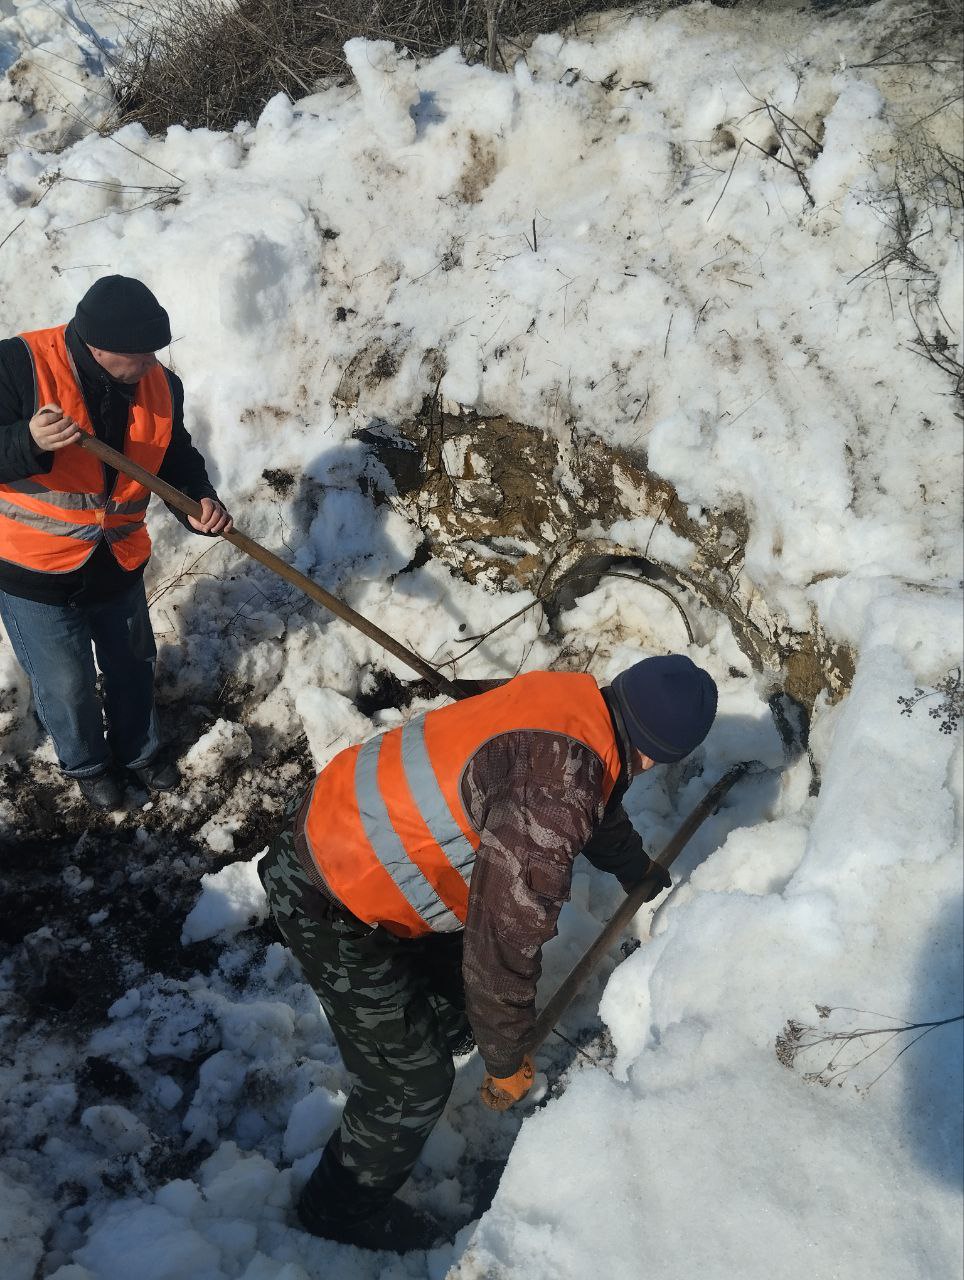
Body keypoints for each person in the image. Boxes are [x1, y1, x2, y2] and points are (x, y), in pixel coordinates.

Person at [259, 653, 718, 1253]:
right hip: (328, 892)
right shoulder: (554, 796)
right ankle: (336, 1208)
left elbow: (594, 795)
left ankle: (434, 1032)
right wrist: (505, 1056)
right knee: (413, 1080)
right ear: (660, 756)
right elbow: (502, 940)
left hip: (352, 828)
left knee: (454, 1006)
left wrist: (636, 872)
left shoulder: (576, 704)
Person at [0, 275, 232, 810]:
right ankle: (86, 765)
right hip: (33, 571)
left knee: (132, 665)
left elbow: (175, 459)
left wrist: (196, 500)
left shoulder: (160, 386)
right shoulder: (18, 366)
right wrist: (25, 442)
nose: (153, 363)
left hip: (118, 561)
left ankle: (141, 754)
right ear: (100, 347)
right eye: (142, 354)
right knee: (68, 684)